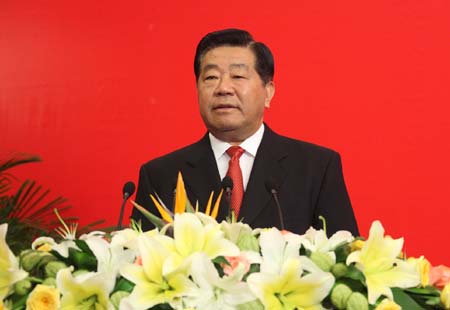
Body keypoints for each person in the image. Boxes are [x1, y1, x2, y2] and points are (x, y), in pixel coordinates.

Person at [131, 28, 359, 236]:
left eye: (238, 76)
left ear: (268, 92)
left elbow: (343, 259)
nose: (223, 88)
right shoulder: (161, 175)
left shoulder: (316, 167)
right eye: (211, 78)